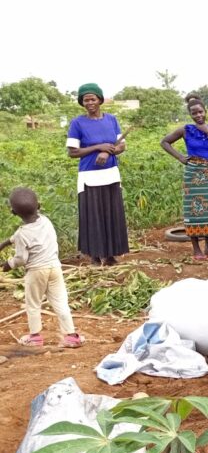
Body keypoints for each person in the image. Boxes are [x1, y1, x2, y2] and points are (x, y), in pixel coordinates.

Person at [0, 188, 81, 348]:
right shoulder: (45, 221)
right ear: (39, 206)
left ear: (13, 212)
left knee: (33, 304)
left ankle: (35, 336)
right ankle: (71, 336)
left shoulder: (23, 233)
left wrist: (8, 265)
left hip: (36, 271)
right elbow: (23, 236)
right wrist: (5, 243)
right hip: (54, 267)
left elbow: (22, 258)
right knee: (60, 301)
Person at [66, 83, 129, 266]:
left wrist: (108, 152)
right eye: (85, 100)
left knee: (111, 214)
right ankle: (94, 255)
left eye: (93, 99)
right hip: (89, 177)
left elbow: (121, 145)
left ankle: (110, 255)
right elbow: (72, 152)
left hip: (110, 174)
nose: (89, 103)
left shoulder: (111, 120)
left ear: (100, 100)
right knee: (92, 215)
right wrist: (97, 147)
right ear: (82, 102)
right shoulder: (77, 123)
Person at [160, 98, 208, 261]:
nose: (198, 115)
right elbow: (165, 142)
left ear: (205, 111)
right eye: (194, 113)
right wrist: (180, 158)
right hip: (193, 173)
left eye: (200, 111)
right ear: (190, 115)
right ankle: (196, 249)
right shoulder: (185, 130)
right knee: (194, 211)